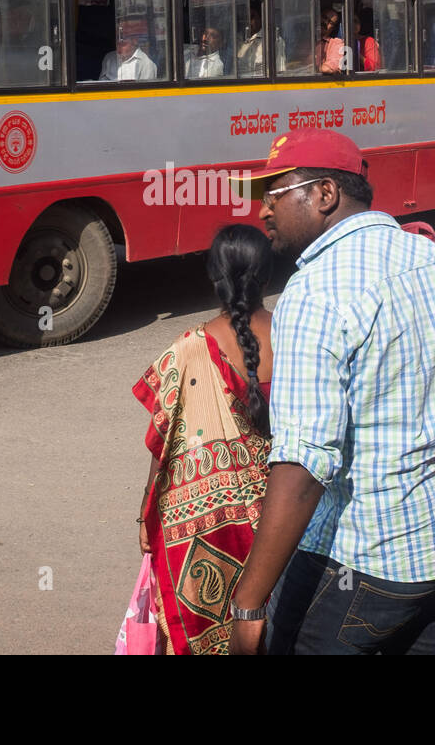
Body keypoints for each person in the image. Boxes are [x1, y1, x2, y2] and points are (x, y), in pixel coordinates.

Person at [227, 129, 435, 655]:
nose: (262, 211)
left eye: (274, 193)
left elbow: (304, 466)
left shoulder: (315, 291)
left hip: (369, 561)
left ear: (324, 195)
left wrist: (249, 602)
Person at [135, 224, 274, 655]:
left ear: (213, 277)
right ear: (267, 276)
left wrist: (145, 512)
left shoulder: (189, 349)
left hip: (211, 533)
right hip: (282, 519)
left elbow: (165, 443)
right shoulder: (298, 334)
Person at [236, 8, 265, 75]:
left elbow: (279, 70)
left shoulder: (271, 40)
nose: (248, 21)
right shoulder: (236, 39)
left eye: (251, 17)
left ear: (260, 19)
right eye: (245, 18)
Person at [315, 8, 343, 74]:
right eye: (324, 17)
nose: (325, 22)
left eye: (330, 22)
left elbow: (327, 69)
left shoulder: (336, 43)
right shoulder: (304, 39)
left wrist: (312, 69)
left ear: (333, 28)